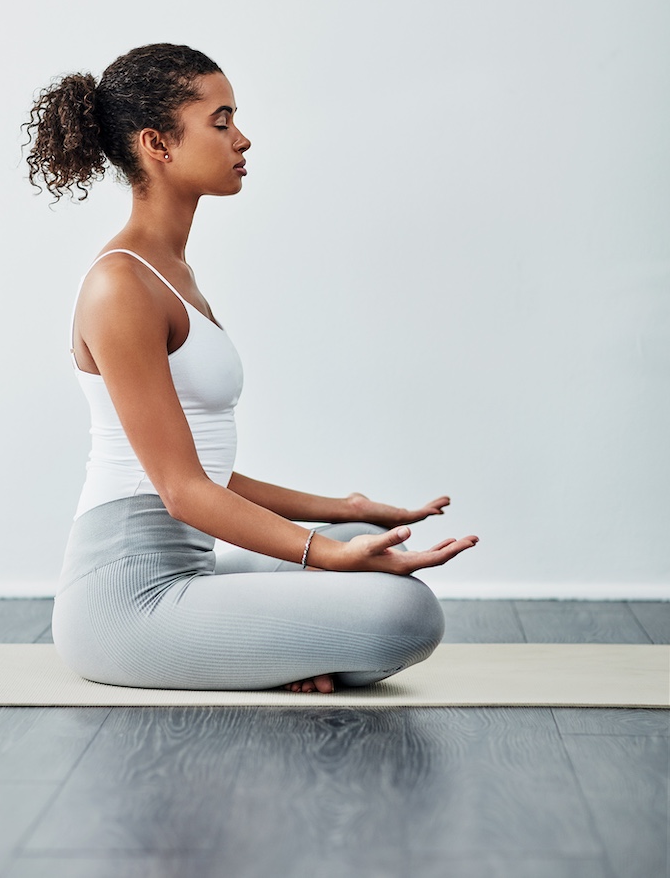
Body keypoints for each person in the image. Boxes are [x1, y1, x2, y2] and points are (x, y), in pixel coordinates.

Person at [24, 43, 478, 693]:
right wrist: (323, 554)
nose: (243, 138)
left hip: (192, 571)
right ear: (158, 144)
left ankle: (272, 646)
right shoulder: (119, 286)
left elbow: (207, 470)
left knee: (357, 539)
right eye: (221, 121)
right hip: (127, 604)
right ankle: (276, 647)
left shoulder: (173, 274)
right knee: (405, 612)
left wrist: (346, 510)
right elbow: (181, 489)